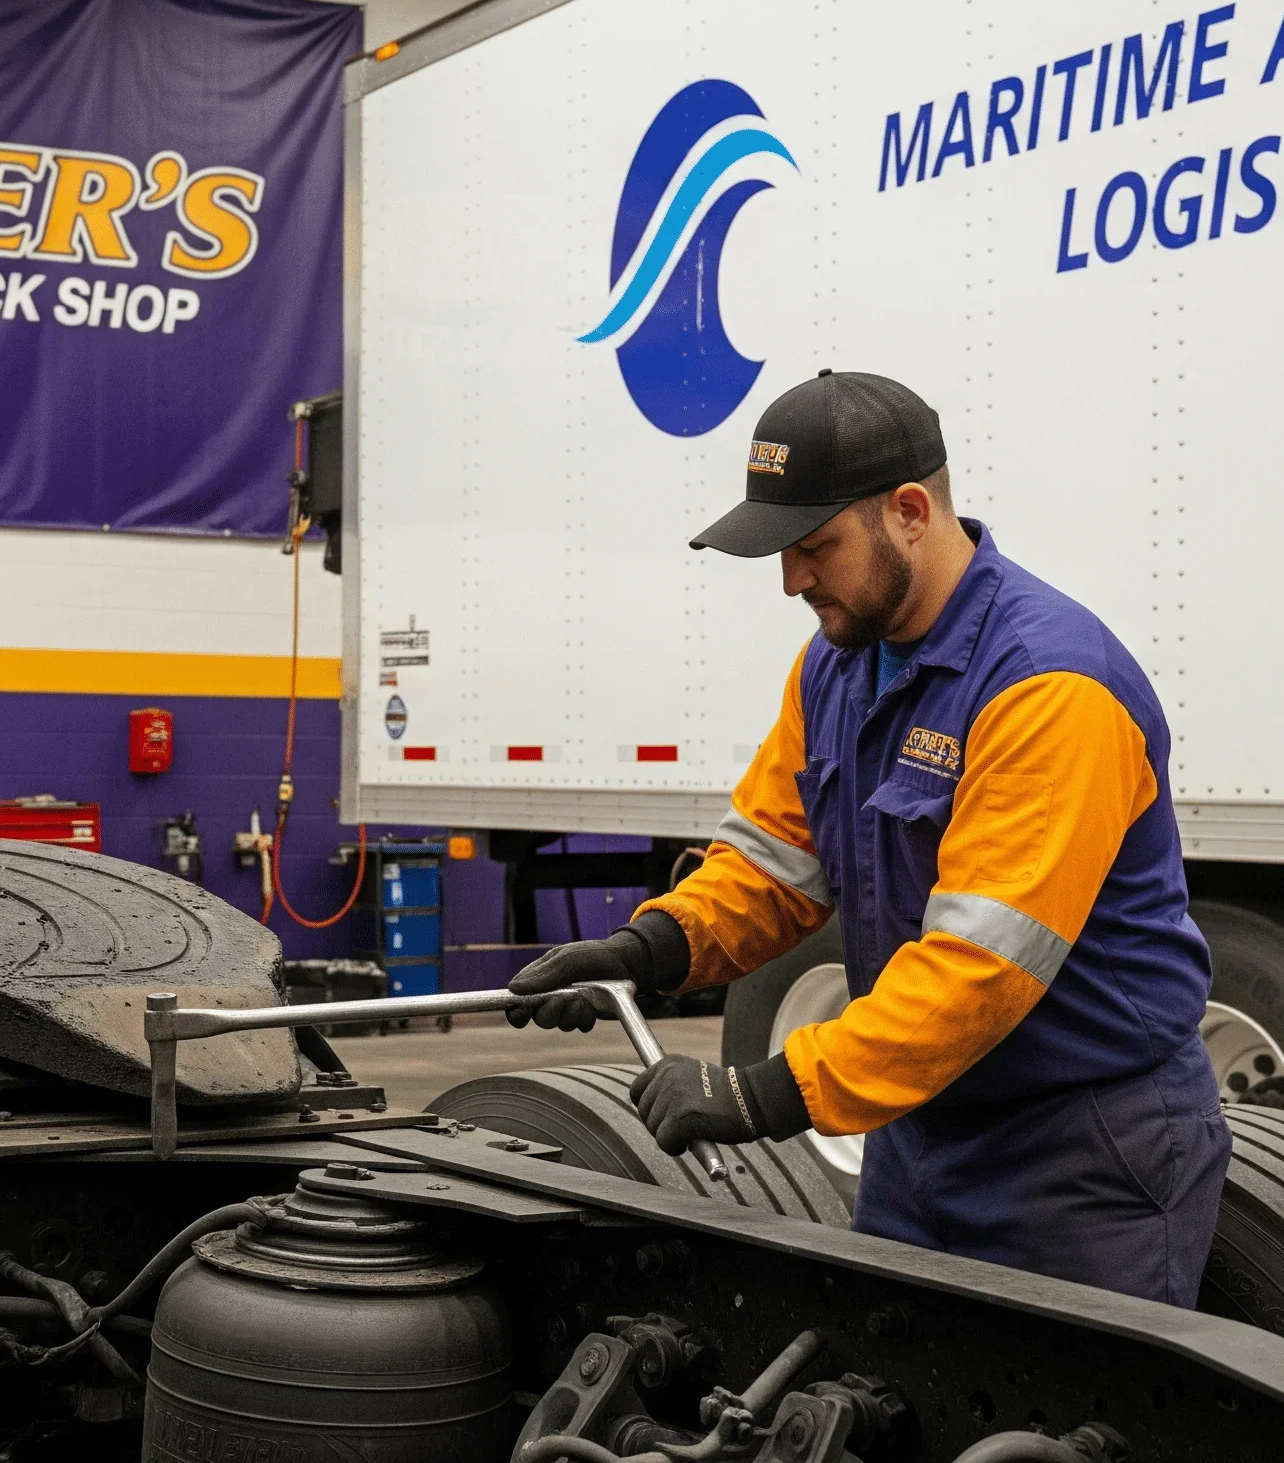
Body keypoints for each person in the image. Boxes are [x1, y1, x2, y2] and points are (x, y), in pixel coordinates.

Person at [509, 370, 1226, 1305]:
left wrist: (761, 1093)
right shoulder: (834, 667)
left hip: (1079, 1154)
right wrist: (647, 950)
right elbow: (772, 865)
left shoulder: (1049, 686)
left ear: (911, 512)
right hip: (917, 1132)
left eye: (816, 547)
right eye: (783, 552)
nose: (792, 581)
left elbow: (977, 972)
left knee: (1066, 1404)